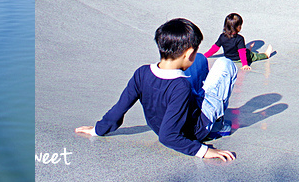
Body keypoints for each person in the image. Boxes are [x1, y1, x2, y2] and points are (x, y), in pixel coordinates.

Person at [74, 18, 237, 161]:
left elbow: (119, 108)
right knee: (226, 64)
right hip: (195, 130)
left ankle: (201, 93)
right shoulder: (181, 86)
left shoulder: (142, 73)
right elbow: (168, 137)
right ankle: (218, 123)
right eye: (194, 51)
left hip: (165, 120)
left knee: (201, 59)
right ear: (187, 53)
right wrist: (204, 151)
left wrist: (97, 129)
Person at [203, 13, 272, 68]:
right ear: (238, 27)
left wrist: (205, 55)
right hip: (238, 58)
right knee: (253, 55)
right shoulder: (240, 38)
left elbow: (215, 48)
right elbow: (242, 52)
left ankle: (248, 49)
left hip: (229, 58)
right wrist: (244, 64)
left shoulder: (222, 36)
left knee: (245, 50)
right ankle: (266, 55)